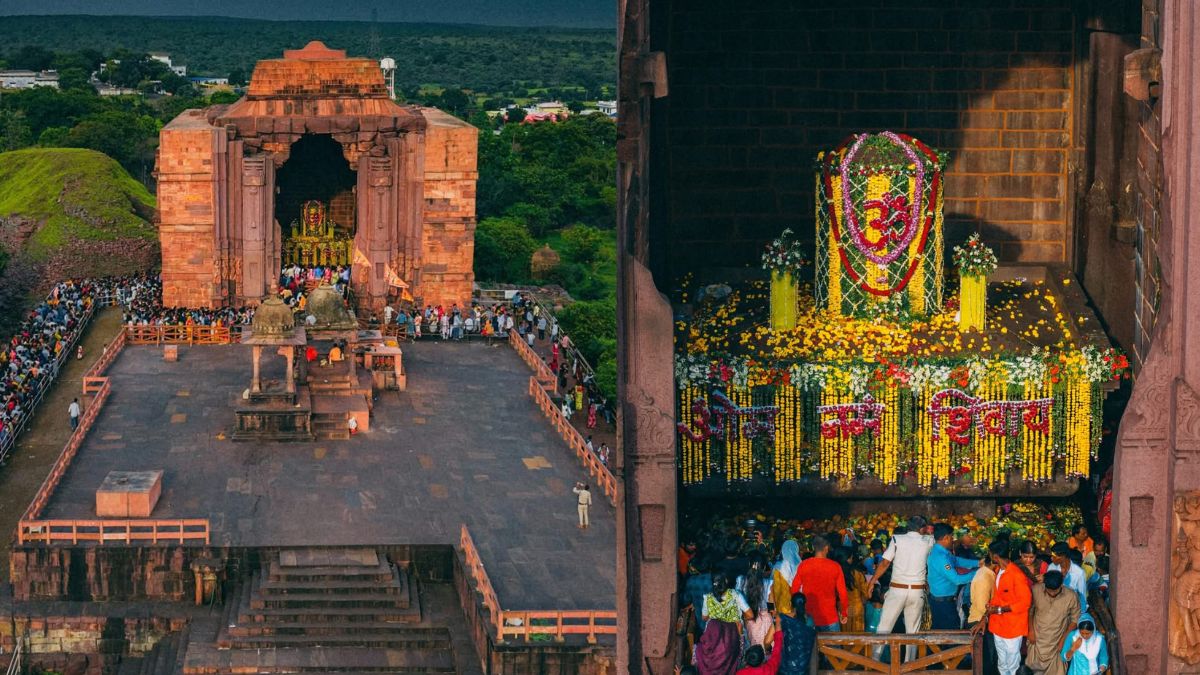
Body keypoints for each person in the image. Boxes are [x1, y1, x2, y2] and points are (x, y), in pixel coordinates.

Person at [868, 515, 934, 661]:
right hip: (917, 591)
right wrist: (927, 532)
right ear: (922, 528)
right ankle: (909, 664)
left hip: (897, 590)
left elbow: (885, 563)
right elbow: (931, 534)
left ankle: (874, 661)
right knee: (912, 632)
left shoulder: (897, 539)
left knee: (884, 627)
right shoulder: (928, 541)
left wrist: (872, 581)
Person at [987, 541, 1032, 675]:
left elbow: (1025, 602)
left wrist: (999, 610)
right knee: (1002, 663)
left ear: (996, 556)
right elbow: (998, 596)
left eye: (990, 554)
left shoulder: (1017, 575)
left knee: (1012, 665)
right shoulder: (999, 571)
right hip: (998, 625)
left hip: (1013, 627)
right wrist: (991, 605)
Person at [1025, 570, 1081, 675]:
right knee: (1032, 670)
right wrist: (1031, 631)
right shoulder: (1036, 590)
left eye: (1055, 591)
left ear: (1061, 585)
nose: (1052, 593)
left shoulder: (1071, 596)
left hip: (1057, 642)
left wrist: (1063, 640)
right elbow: (1030, 611)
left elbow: (1074, 620)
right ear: (1044, 584)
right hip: (1037, 640)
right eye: (1049, 590)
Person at [927, 523, 979, 629]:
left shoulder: (942, 552)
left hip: (942, 601)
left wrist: (978, 563)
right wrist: (978, 573)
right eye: (951, 537)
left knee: (941, 631)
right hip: (943, 603)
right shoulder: (940, 557)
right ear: (946, 538)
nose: (953, 540)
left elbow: (956, 561)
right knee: (950, 631)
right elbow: (956, 579)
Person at [697, 573, 751, 675]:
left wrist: (716, 616)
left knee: (705, 653)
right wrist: (736, 618)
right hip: (732, 636)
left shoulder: (708, 598)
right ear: (726, 581)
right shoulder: (736, 595)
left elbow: (704, 617)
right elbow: (750, 614)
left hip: (713, 635)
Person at [791, 534, 847, 631]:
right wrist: (844, 613)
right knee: (833, 641)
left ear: (814, 548)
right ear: (826, 548)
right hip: (830, 617)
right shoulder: (835, 566)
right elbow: (843, 593)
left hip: (809, 616)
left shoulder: (804, 565)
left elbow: (794, 589)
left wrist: (798, 610)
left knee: (810, 641)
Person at [967, 556, 998, 675]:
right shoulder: (984, 578)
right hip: (980, 622)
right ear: (996, 563)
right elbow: (982, 607)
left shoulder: (986, 573)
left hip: (984, 620)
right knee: (985, 662)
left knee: (985, 660)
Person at [777, 592, 817, 675]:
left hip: (785, 668)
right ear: (805, 605)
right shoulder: (810, 620)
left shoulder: (783, 619)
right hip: (803, 667)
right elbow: (812, 645)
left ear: (790, 604)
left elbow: (768, 641)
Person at [1049, 542, 1088, 613]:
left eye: (1054, 556)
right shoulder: (1051, 567)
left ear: (1063, 556)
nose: (1051, 559)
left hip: (1072, 609)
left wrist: (1081, 612)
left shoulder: (1079, 573)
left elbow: (1082, 595)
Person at [770, 540, 802, 617]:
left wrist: (771, 611)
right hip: (797, 608)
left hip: (781, 609)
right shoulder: (801, 566)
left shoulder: (778, 567)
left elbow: (772, 589)